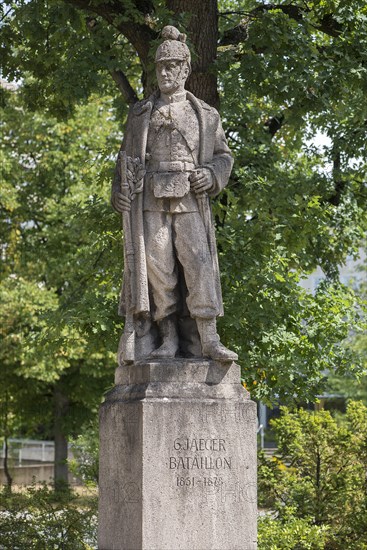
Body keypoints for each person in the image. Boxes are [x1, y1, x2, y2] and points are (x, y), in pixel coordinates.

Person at [111, 25, 237, 364]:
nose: (164, 72)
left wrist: (211, 174)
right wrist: (118, 193)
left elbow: (224, 156)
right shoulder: (140, 114)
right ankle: (165, 337)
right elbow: (124, 160)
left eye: (171, 65)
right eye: (160, 66)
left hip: (190, 198)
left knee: (198, 265)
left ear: (185, 68)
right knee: (157, 268)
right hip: (150, 198)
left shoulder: (206, 115)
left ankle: (208, 338)